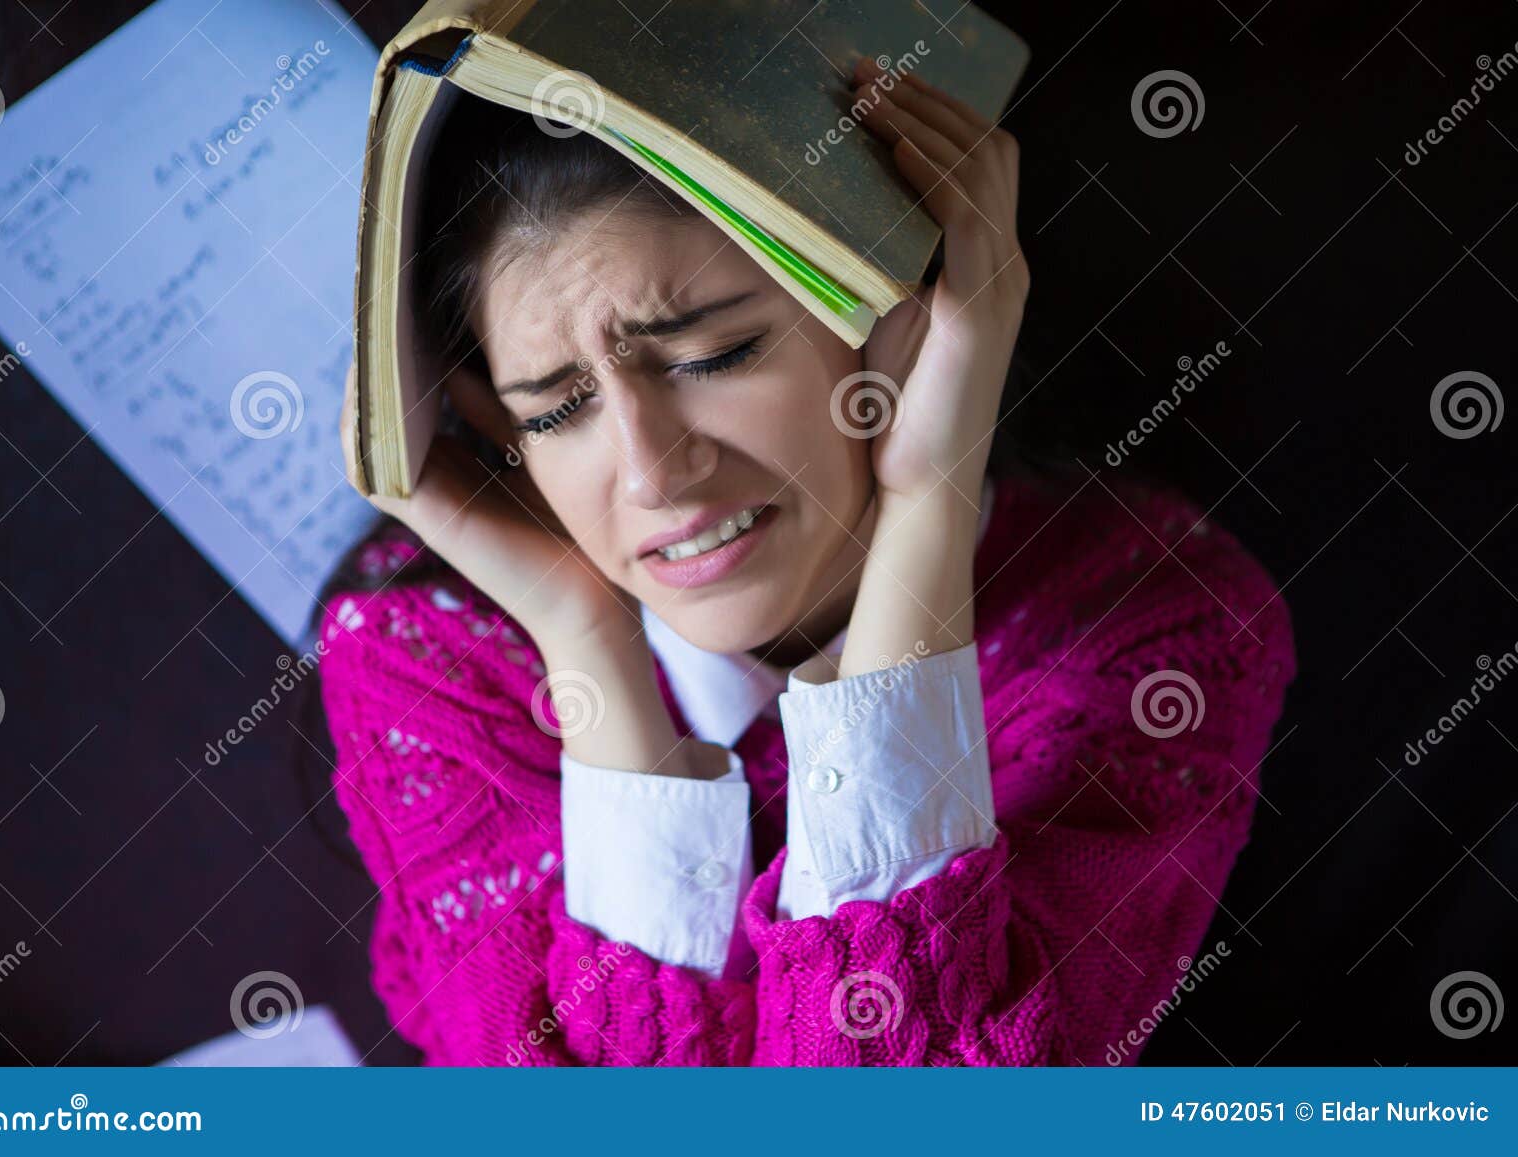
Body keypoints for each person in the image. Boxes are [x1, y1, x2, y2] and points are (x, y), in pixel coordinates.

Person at [317, 57, 1295, 1065]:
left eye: (713, 354)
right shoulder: (429, 655)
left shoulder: (1161, 617)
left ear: (890, 308)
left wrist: (929, 500)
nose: (655, 476)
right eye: (558, 409)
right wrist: (586, 644)